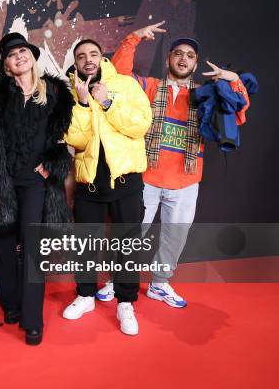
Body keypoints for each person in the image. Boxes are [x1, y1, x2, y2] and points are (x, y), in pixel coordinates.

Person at [94, 22, 250, 307]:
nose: (183, 58)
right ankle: (118, 280)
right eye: (178, 53)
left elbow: (239, 111)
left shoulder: (206, 95)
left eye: (190, 55)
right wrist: (134, 38)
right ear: (168, 58)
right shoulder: (149, 87)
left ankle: (160, 284)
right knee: (131, 234)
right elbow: (118, 77)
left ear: (196, 63)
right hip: (146, 179)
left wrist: (231, 78)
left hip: (185, 182)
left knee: (173, 238)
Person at [0, 33, 73, 345]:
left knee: (33, 246)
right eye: (11, 55)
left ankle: (33, 320)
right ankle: (11, 306)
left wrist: (52, 163)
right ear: (6, 65)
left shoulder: (55, 91)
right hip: (5, 179)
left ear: (32, 56)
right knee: (6, 244)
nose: (18, 57)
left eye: (23, 51)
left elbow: (64, 136)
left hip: (36, 182)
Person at [64, 39, 152, 336]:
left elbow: (141, 124)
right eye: (81, 56)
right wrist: (81, 103)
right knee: (84, 245)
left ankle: (125, 301)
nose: (87, 59)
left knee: (128, 245)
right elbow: (74, 139)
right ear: (75, 62)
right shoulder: (72, 92)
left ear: (102, 57)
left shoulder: (125, 85)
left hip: (126, 180)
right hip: (90, 182)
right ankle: (86, 295)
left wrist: (108, 103)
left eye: (92, 54)